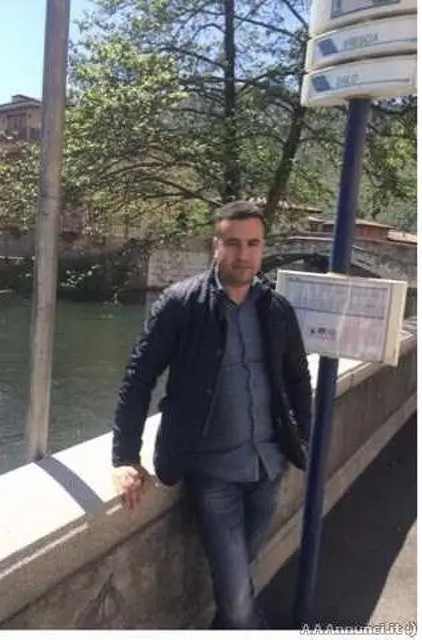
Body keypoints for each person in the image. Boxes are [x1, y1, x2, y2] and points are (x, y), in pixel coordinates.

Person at [112, 200, 312, 629]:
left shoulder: (277, 309)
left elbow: (298, 378)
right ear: (216, 245)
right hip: (214, 474)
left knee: (236, 585)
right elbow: (139, 377)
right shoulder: (182, 304)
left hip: (268, 468)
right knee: (238, 600)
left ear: (263, 247)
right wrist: (125, 457)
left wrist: (303, 438)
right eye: (233, 243)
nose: (244, 254)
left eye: (253, 244)